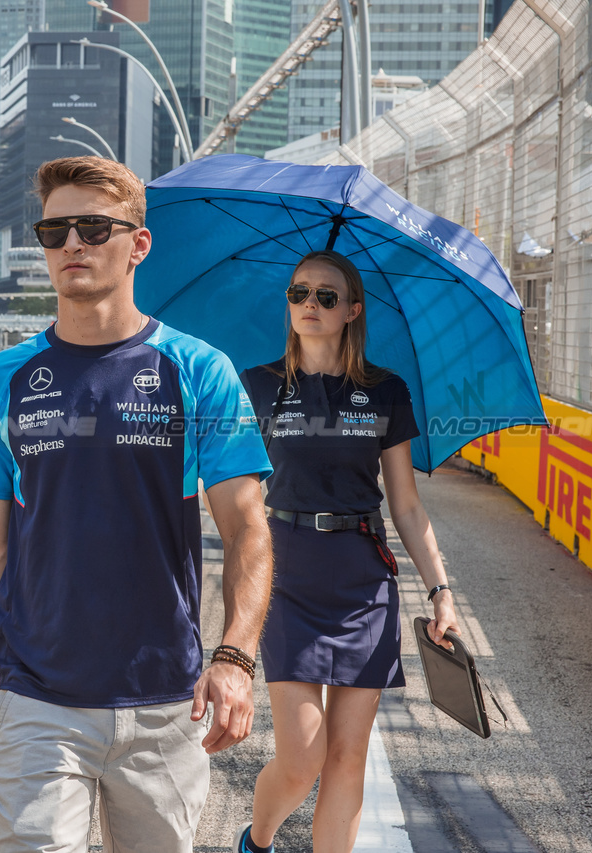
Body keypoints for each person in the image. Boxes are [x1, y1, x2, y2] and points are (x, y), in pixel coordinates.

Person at [0, 156, 275, 853]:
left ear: (138, 243)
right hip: (38, 699)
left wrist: (236, 657)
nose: (72, 244)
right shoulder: (0, 381)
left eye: (94, 227)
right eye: (54, 230)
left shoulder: (200, 371)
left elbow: (247, 526)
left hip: (166, 700)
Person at [234, 250, 460, 853]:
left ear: (352, 310)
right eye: (298, 292)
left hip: (363, 582)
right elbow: (234, 493)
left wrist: (440, 590)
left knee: (346, 757)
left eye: (326, 296)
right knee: (302, 756)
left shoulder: (385, 391)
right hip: (285, 579)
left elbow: (406, 505)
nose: (309, 304)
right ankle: (257, 842)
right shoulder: (256, 386)